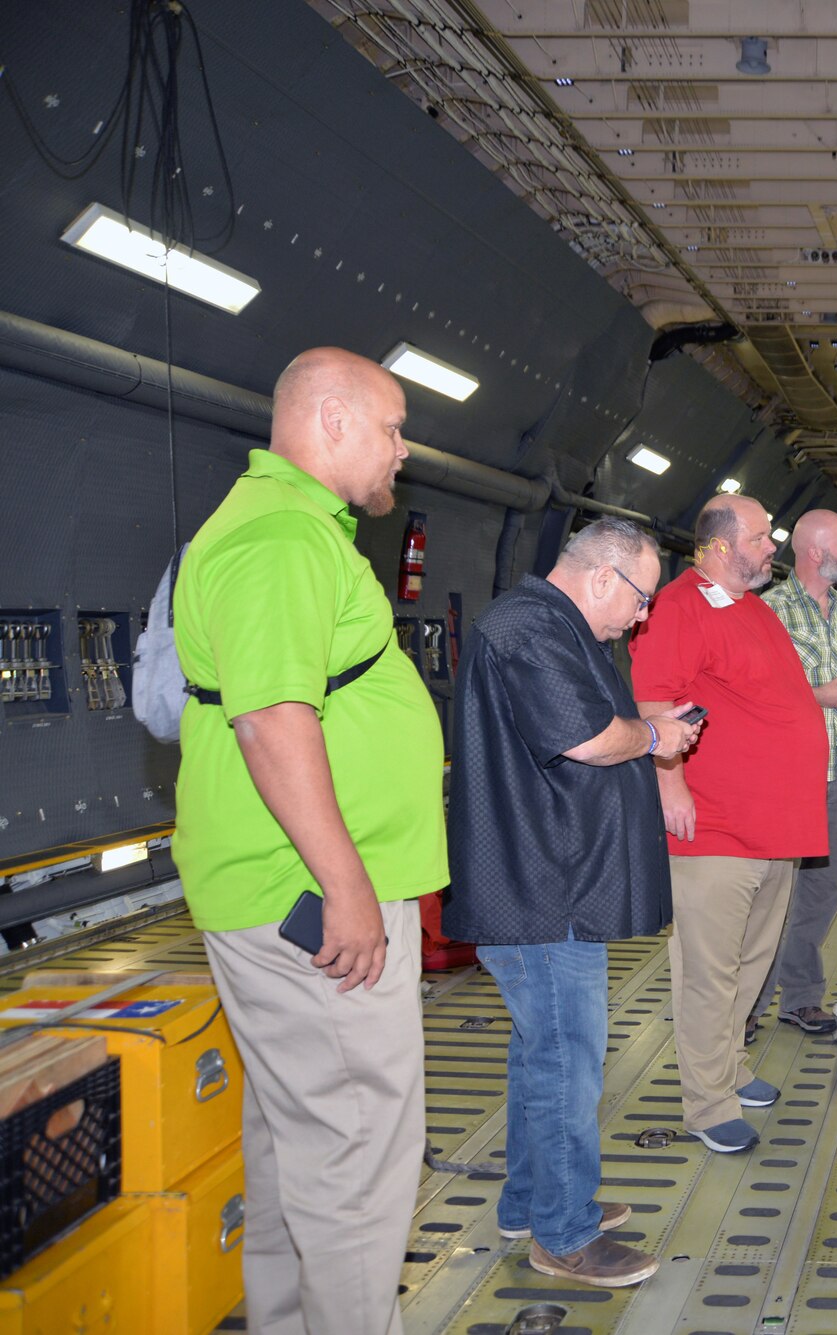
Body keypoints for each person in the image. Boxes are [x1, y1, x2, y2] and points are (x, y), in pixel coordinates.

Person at [173, 347, 443, 1334]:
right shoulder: (282, 538)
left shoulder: (294, 532)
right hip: (311, 906)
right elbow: (271, 722)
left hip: (292, 898)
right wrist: (349, 886)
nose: (401, 451)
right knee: (359, 1155)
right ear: (330, 421)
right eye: (392, 426)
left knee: (304, 1144)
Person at [441, 518, 701, 1287]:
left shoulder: (553, 626)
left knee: (541, 1053)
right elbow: (587, 739)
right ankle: (564, 1233)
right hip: (538, 889)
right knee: (567, 1060)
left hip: (552, 885)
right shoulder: (528, 628)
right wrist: (655, 735)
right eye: (641, 597)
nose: (643, 615)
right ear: (602, 576)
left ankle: (530, 1201)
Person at [629, 494, 829, 1153]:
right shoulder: (679, 607)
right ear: (719, 545)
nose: (772, 545)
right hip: (716, 824)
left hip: (776, 825)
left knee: (750, 956)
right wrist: (670, 782)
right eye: (762, 535)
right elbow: (656, 701)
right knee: (709, 968)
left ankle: (731, 1068)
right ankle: (707, 1100)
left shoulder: (750, 607)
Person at [751, 509, 837, 1035]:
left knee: (828, 883)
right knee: (771, 892)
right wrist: (816, 697)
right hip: (786, 776)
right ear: (816, 553)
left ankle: (800, 995)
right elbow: (751, 698)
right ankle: (748, 1006)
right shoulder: (767, 613)